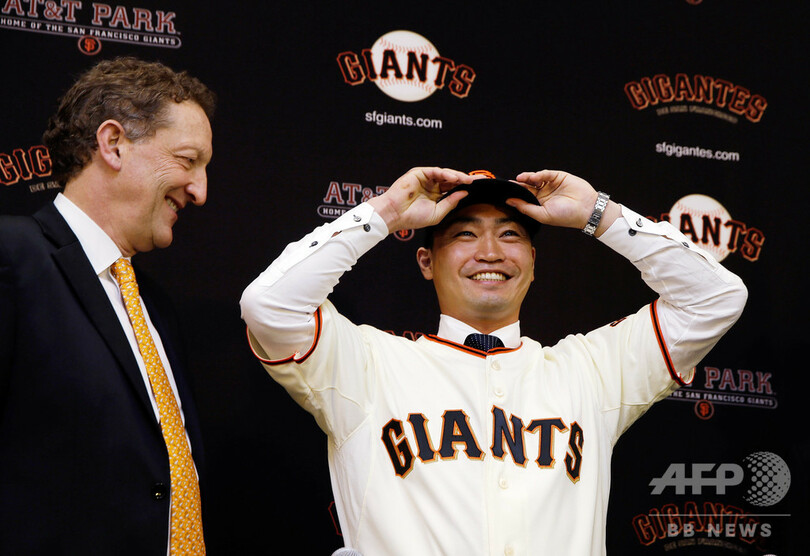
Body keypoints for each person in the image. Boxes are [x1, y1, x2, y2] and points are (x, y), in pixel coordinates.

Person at [239, 167, 747, 555]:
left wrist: (598, 213)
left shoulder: (591, 372)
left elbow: (715, 299)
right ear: (426, 261)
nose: (489, 252)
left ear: (532, 263)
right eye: (464, 234)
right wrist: (385, 212)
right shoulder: (365, 364)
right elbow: (269, 305)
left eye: (509, 235)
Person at [0, 57, 215, 555]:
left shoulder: (154, 307)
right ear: (113, 143)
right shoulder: (12, 258)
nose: (201, 191)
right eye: (188, 160)